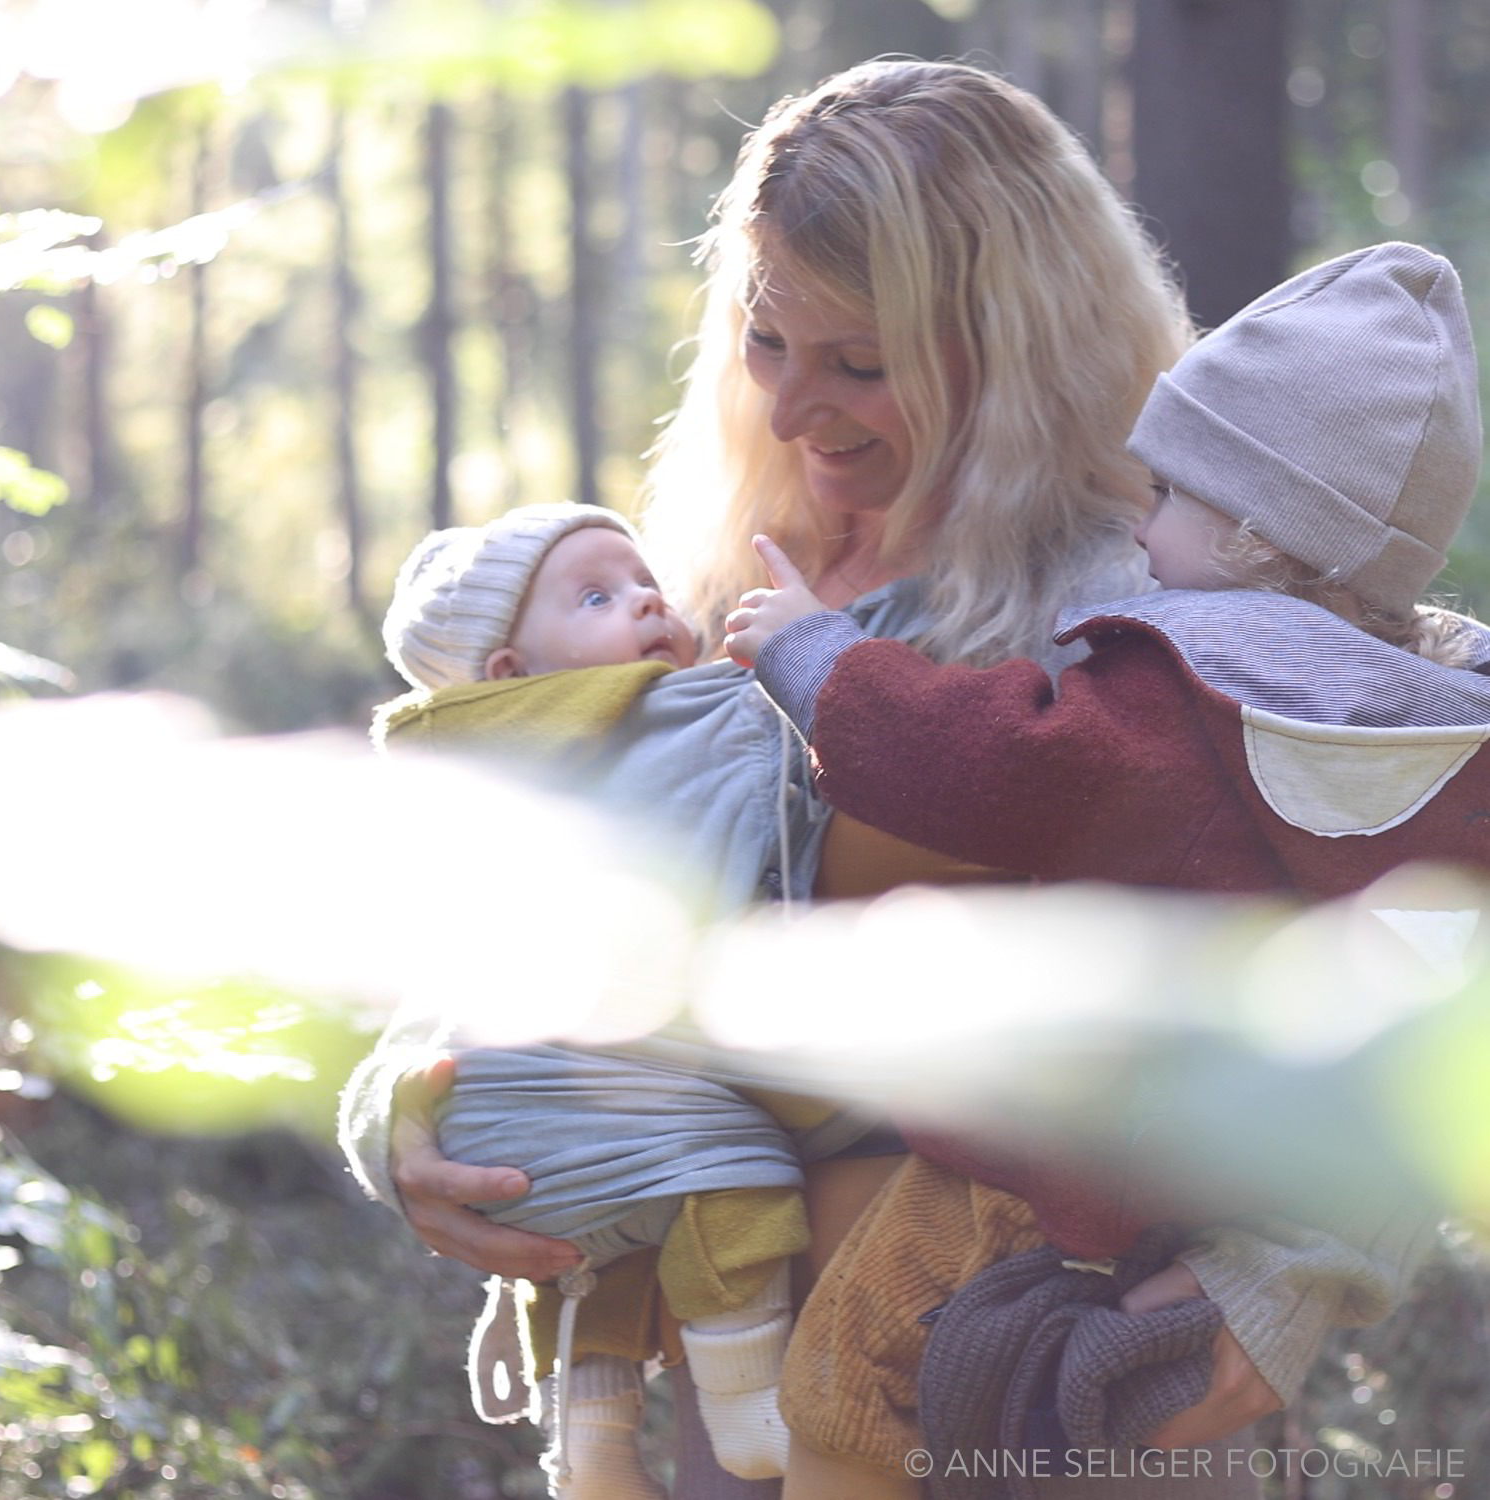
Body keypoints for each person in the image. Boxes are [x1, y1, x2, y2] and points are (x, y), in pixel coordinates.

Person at [338, 58, 1369, 1500]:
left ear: (1015, 346)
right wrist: (412, 1104)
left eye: (864, 363)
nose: (796, 411)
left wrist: (1289, 1276)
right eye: (767, 341)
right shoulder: (690, 581)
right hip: (731, 1380)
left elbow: (1395, 915)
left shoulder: (1144, 587)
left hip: (1038, 1383)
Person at [722, 240, 1481, 1496]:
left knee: (849, 1385)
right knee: (1037, 1405)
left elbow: (989, 760)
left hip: (1043, 1164)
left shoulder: (1183, 695)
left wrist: (813, 653)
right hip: (1207, 1167)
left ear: (1250, 539)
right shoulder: (1420, 725)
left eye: (1174, 493)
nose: (1143, 516)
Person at [369, 497, 877, 1494]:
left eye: (647, 581)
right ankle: (744, 1400)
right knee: (727, 1175)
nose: (646, 600)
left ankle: (591, 1448)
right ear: (509, 675)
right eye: (598, 594)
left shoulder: (461, 779)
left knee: (591, 1254)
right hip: (624, 1093)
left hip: (492, 1120)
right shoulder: (681, 726)